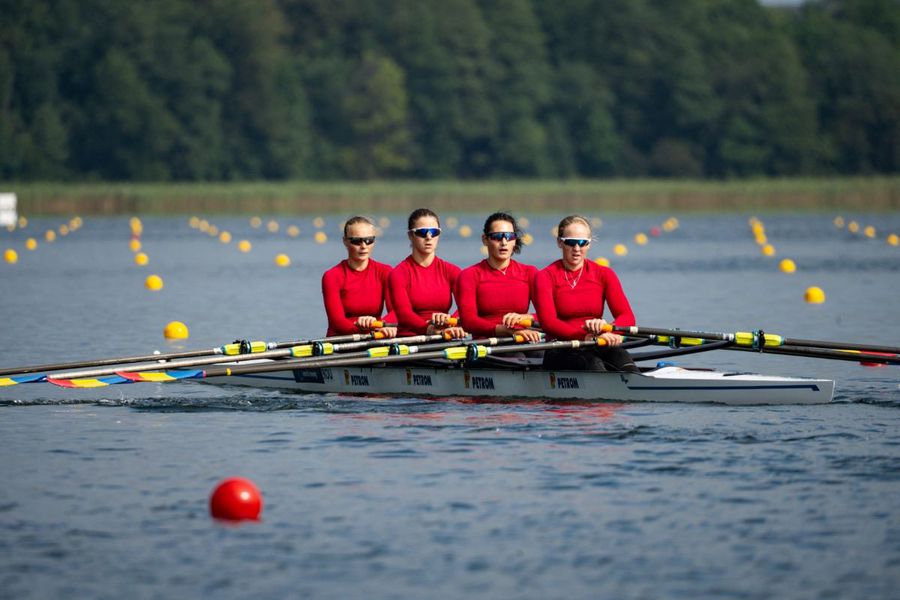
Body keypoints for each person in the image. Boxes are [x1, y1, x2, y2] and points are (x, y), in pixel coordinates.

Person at [533, 215, 639, 372]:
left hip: (597, 342)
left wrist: (610, 330)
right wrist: (585, 335)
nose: (577, 248)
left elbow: (627, 316)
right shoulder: (545, 276)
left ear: (589, 244)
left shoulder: (605, 274)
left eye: (583, 243)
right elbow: (549, 323)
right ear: (560, 242)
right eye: (571, 242)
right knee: (593, 366)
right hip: (561, 348)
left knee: (624, 360)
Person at [455, 212, 542, 342]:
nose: (504, 242)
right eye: (497, 237)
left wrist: (526, 317)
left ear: (515, 240)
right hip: (488, 343)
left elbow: (550, 316)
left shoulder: (530, 272)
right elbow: (468, 321)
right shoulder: (469, 275)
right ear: (485, 240)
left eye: (509, 236)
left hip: (523, 337)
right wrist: (502, 330)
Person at [388, 208, 466, 339]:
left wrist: (450, 322)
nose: (429, 237)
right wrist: (430, 329)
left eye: (434, 232)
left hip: (444, 336)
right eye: (422, 232)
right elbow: (404, 315)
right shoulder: (398, 274)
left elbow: (466, 308)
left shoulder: (453, 271)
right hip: (410, 340)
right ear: (410, 235)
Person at [321, 216, 397, 338]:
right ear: (345, 241)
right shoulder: (332, 276)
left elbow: (396, 311)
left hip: (374, 336)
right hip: (341, 341)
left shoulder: (385, 272)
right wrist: (366, 326)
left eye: (369, 240)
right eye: (356, 241)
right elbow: (337, 323)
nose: (363, 246)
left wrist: (383, 325)